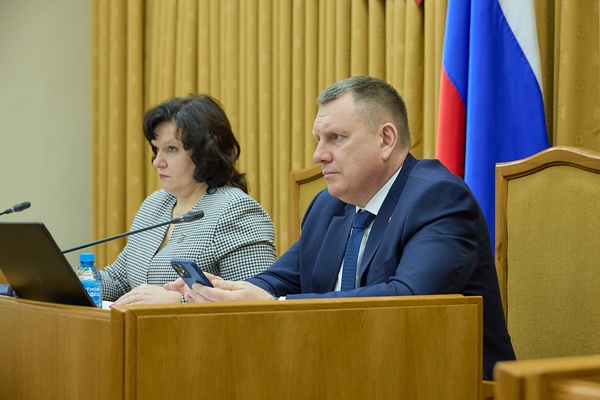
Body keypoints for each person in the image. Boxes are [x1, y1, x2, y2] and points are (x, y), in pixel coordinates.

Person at [164, 76, 515, 378]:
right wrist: (222, 291)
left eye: (335, 138)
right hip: (350, 375)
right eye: (318, 139)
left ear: (386, 139)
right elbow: (279, 280)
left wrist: (278, 304)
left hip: (448, 382)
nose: (318, 155)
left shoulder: (438, 198)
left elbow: (409, 300)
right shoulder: (328, 205)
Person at [101, 93, 276, 305]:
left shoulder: (236, 210)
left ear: (205, 153)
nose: (157, 162)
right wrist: (74, 278)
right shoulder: (155, 204)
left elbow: (253, 304)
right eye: (156, 149)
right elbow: (119, 280)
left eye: (171, 149)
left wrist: (180, 302)